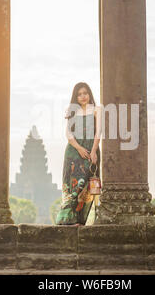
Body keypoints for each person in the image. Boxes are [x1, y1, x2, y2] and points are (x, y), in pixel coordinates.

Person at [55, 82, 102, 226]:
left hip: (91, 150)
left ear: (89, 94)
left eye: (85, 93)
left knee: (86, 184)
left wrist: (93, 151)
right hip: (73, 152)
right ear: (76, 96)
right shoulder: (73, 111)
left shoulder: (97, 110)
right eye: (79, 94)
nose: (83, 96)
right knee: (72, 186)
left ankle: (82, 220)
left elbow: (98, 131)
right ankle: (69, 220)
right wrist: (79, 148)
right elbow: (68, 133)